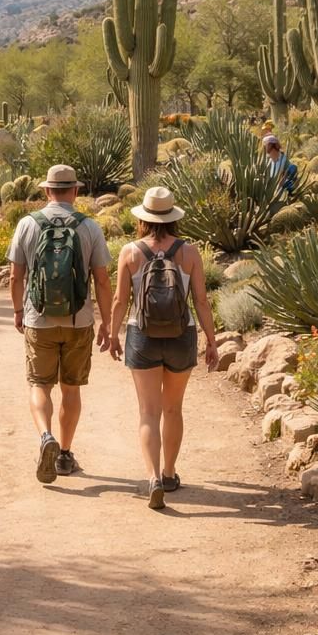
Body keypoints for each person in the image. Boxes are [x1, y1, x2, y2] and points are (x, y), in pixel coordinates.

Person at [107, 186, 218, 509]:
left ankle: (153, 476)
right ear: (173, 218)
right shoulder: (189, 252)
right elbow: (200, 301)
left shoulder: (129, 252)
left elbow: (119, 300)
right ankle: (170, 473)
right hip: (181, 336)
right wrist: (211, 341)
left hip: (141, 336)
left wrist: (112, 335)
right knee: (173, 409)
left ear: (143, 218)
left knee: (148, 412)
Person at [7, 164, 113, 485]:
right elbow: (103, 281)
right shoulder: (90, 227)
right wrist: (106, 322)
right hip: (78, 320)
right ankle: (65, 454)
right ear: (76, 191)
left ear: (46, 191)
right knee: (71, 388)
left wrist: (17, 311)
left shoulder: (27, 224)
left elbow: (15, 276)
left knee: (39, 384)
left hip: (38, 319)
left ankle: (45, 438)